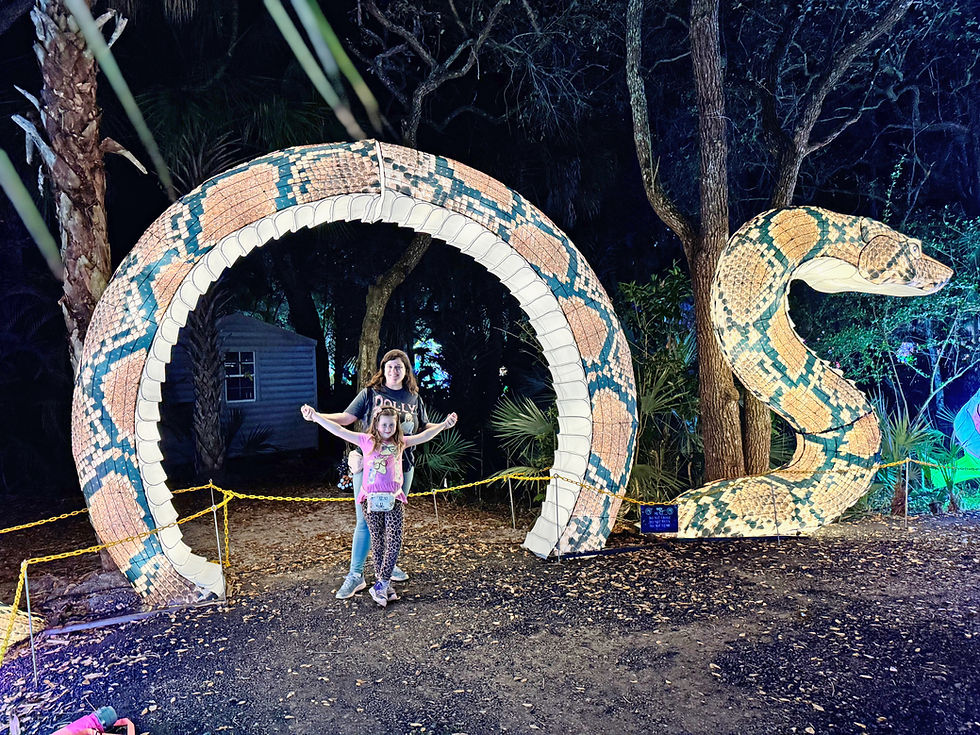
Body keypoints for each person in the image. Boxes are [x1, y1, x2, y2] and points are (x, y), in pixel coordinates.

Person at [306, 349, 438, 598]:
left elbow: (423, 427)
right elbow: (346, 419)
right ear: (383, 369)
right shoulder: (370, 393)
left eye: (399, 367)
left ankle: (385, 568)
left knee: (392, 521)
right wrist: (317, 417)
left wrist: (445, 425)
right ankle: (356, 574)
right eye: (389, 366)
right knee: (365, 521)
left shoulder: (413, 397)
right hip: (368, 469)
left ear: (406, 370)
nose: (394, 371)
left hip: (401, 467)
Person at [301, 404, 458, 606]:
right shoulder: (366, 441)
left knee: (394, 539)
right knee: (378, 541)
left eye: (391, 425)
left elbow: (423, 437)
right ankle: (384, 584)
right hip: (370, 500)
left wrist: (444, 425)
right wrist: (316, 417)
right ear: (376, 424)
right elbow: (339, 430)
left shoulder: (400, 442)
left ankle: (382, 582)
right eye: (384, 424)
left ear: (396, 426)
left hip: (393, 498)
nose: (387, 428)